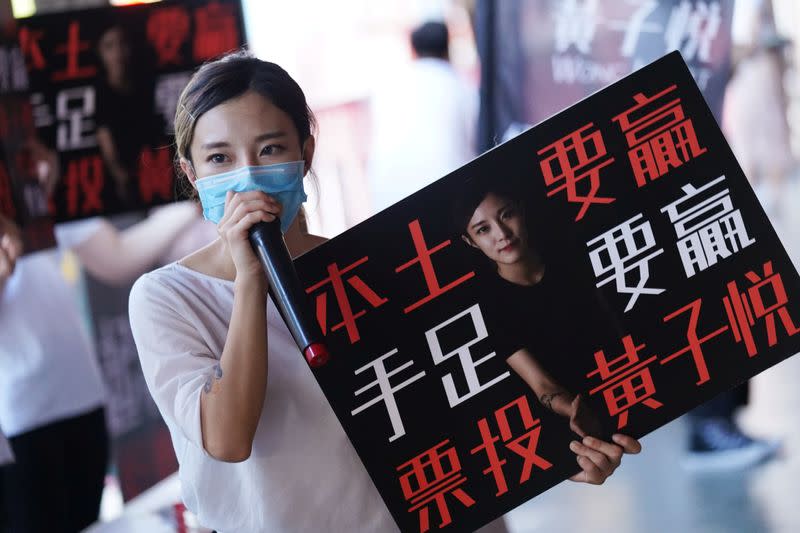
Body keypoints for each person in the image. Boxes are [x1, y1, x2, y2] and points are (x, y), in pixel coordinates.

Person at [128, 52, 639, 533]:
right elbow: (227, 438)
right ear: (192, 174)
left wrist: (561, 456)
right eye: (220, 159)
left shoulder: (376, 269)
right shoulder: (166, 297)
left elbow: (463, 404)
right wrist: (251, 279)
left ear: (305, 154)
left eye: (270, 149)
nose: (249, 176)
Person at [0, 201, 199, 533]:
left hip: (83, 396)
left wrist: (195, 201)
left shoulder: (29, 187)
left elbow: (117, 257)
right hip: (21, 417)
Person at [453, 177, 642, 478]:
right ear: (470, 241)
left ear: (522, 211)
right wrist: (575, 410)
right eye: (483, 229)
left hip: (630, 381)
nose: (501, 234)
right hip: (575, 417)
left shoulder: (572, 256)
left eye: (506, 215)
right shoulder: (490, 307)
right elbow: (541, 385)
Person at [368, 20, 477, 213]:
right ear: (447, 48)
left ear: (413, 50)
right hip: (449, 199)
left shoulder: (388, 89)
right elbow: (479, 142)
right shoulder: (461, 87)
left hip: (388, 204)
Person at [95, 21, 162, 211]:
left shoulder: (145, 86)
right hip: (121, 186)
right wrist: (120, 177)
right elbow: (105, 139)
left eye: (122, 43)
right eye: (109, 46)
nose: (118, 53)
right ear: (100, 53)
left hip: (153, 174)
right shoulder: (101, 94)